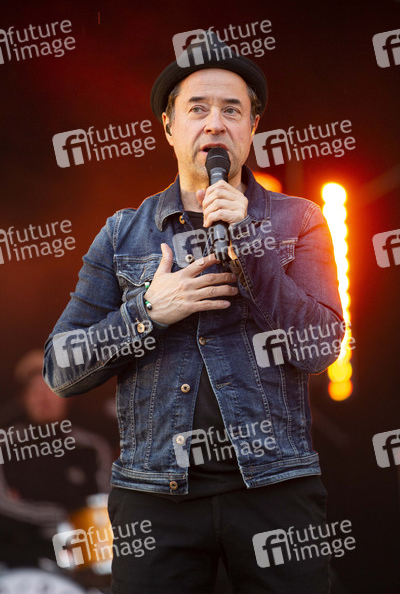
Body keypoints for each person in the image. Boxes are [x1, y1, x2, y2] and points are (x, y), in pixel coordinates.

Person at [43, 35, 343, 594]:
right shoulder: (123, 233)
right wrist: (148, 312)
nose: (215, 124)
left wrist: (251, 245)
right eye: (198, 109)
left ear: (252, 128)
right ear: (169, 126)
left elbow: (321, 347)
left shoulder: (299, 219)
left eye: (232, 110)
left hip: (275, 486)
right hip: (155, 495)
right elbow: (61, 367)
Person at [0, 349, 112, 568]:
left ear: (69, 395)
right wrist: (64, 516)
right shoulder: (4, 445)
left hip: (87, 559)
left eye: (52, 388)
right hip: (18, 562)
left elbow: (106, 504)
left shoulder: (92, 447)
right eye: (34, 390)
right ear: (23, 398)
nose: (44, 397)